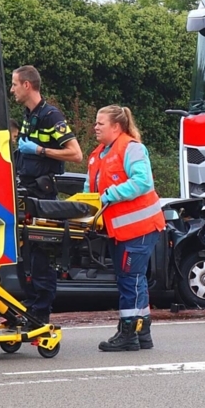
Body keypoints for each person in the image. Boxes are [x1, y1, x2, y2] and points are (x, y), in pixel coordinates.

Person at [85, 105, 166, 352]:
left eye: (100, 123)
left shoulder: (131, 148)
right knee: (132, 279)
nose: (95, 127)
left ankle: (129, 333)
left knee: (130, 280)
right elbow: (90, 190)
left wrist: (110, 195)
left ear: (116, 126)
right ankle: (142, 332)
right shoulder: (98, 155)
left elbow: (142, 182)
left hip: (140, 228)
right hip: (122, 231)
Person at [10, 65, 83, 322]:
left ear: (27, 85)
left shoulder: (51, 116)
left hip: (43, 196)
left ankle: (41, 312)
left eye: (14, 84)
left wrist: (40, 150)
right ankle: (31, 307)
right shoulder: (28, 115)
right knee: (25, 256)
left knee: (41, 256)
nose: (12, 90)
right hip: (27, 193)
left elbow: (76, 154)